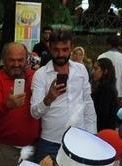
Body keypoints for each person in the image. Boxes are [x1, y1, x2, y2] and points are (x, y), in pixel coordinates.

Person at [30, 29, 97, 159]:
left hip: (79, 140)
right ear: (49, 48)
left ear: (71, 47)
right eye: (56, 50)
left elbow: (88, 103)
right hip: (51, 142)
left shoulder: (81, 70)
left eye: (65, 49)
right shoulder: (41, 75)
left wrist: (92, 135)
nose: (61, 54)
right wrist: (48, 99)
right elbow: (34, 113)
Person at [0, 43, 41, 166]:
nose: (16, 64)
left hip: (30, 150)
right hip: (1, 151)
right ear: (4, 60)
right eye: (12, 60)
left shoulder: (35, 77)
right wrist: (7, 105)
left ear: (27, 60)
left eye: (20, 60)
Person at [97, 35, 122, 104]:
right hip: (118, 93)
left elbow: (98, 75)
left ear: (108, 45)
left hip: (103, 91)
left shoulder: (101, 56)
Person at [92, 57, 119, 131]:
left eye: (96, 69)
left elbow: (102, 114)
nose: (93, 72)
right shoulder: (104, 87)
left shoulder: (106, 89)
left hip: (102, 131)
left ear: (105, 71)